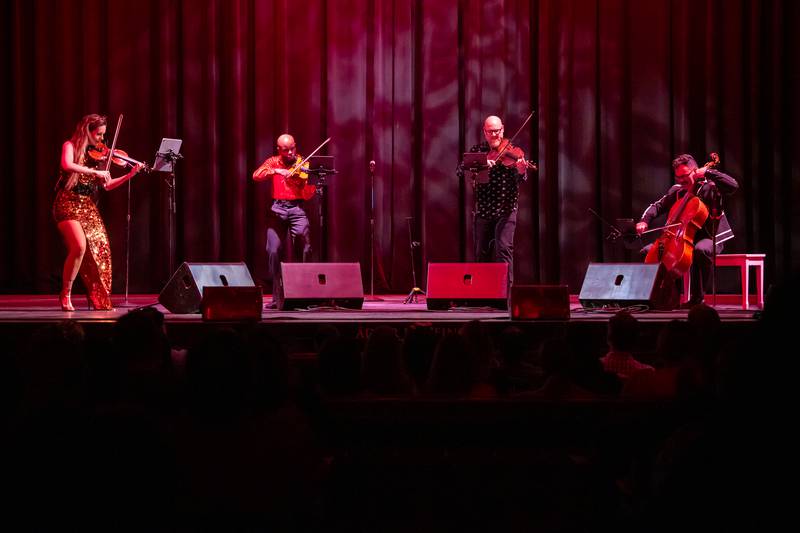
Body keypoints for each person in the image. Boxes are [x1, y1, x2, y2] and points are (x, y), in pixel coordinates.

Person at [53, 114, 146, 311]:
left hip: (87, 206)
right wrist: (93, 172)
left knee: (101, 251)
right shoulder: (69, 146)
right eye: (99, 135)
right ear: (87, 131)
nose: (102, 140)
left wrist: (129, 174)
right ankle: (65, 293)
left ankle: (97, 296)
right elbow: (67, 165)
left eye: (104, 135)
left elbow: (108, 185)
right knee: (79, 246)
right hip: (67, 203)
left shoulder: (100, 155)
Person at [636, 153, 738, 307]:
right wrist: (644, 221)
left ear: (695, 171)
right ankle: (666, 297)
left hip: (710, 237)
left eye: (684, 175)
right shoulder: (677, 191)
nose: (681, 180)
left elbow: (733, 186)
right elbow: (657, 206)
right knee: (647, 252)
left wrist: (708, 172)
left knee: (699, 250)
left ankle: (698, 299)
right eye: (678, 177)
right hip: (681, 238)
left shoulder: (709, 187)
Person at [462, 116, 532, 286]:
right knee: (482, 253)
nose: (495, 135)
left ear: (502, 129)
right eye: (491, 131)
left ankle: (506, 293)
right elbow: (460, 169)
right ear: (485, 132)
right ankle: (483, 292)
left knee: (504, 250)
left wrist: (522, 170)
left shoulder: (513, 152)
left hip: (506, 211)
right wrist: (483, 164)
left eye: (497, 131)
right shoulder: (478, 150)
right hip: (483, 211)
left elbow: (520, 179)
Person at [252, 134, 316, 308]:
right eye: (286, 150)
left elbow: (309, 194)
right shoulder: (273, 161)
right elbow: (256, 175)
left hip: (297, 208)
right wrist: (276, 171)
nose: (290, 153)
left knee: (304, 247)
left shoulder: (304, 163)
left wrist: (303, 183)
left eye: (292, 148)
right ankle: (277, 297)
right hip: (277, 208)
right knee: (273, 250)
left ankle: (304, 295)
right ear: (279, 149)